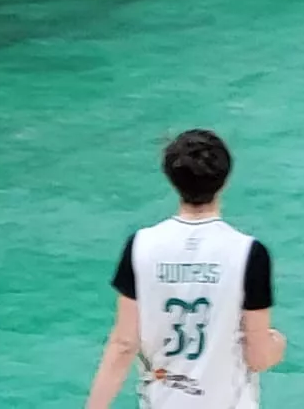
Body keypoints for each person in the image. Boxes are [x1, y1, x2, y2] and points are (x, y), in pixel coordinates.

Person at [85, 129, 285, 408]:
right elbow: (258, 357)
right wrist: (277, 344)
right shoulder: (249, 253)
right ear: (225, 180)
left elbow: (124, 344)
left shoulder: (140, 246)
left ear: (172, 179)